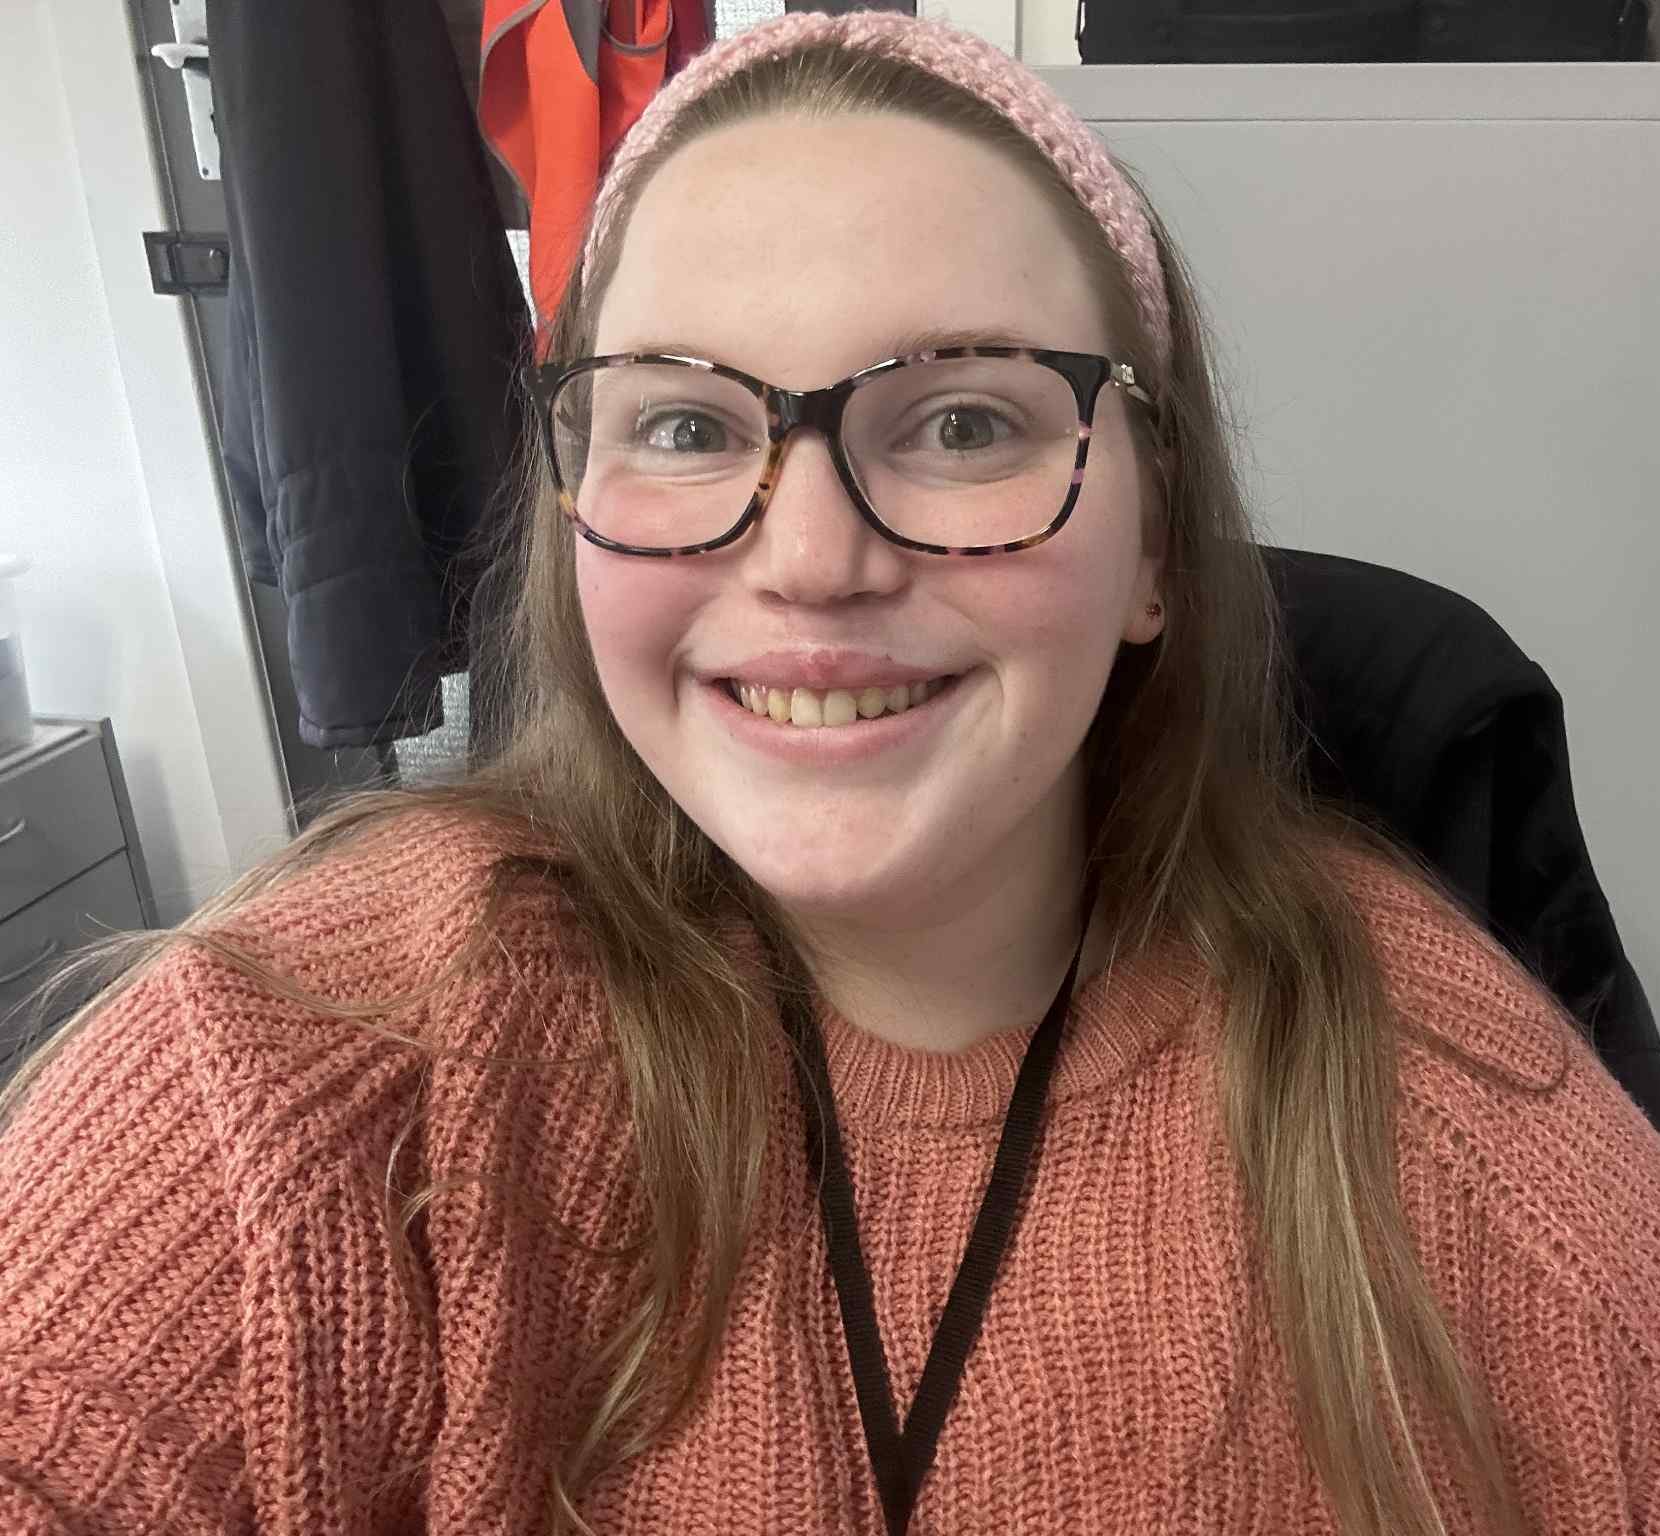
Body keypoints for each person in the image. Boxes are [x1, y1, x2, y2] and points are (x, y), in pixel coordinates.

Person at [0, 12, 1655, 1535]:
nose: (808, 557)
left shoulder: (1459, 1147)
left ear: (1156, 540)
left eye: (959, 425)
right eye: (685, 424)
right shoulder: (312, 1060)